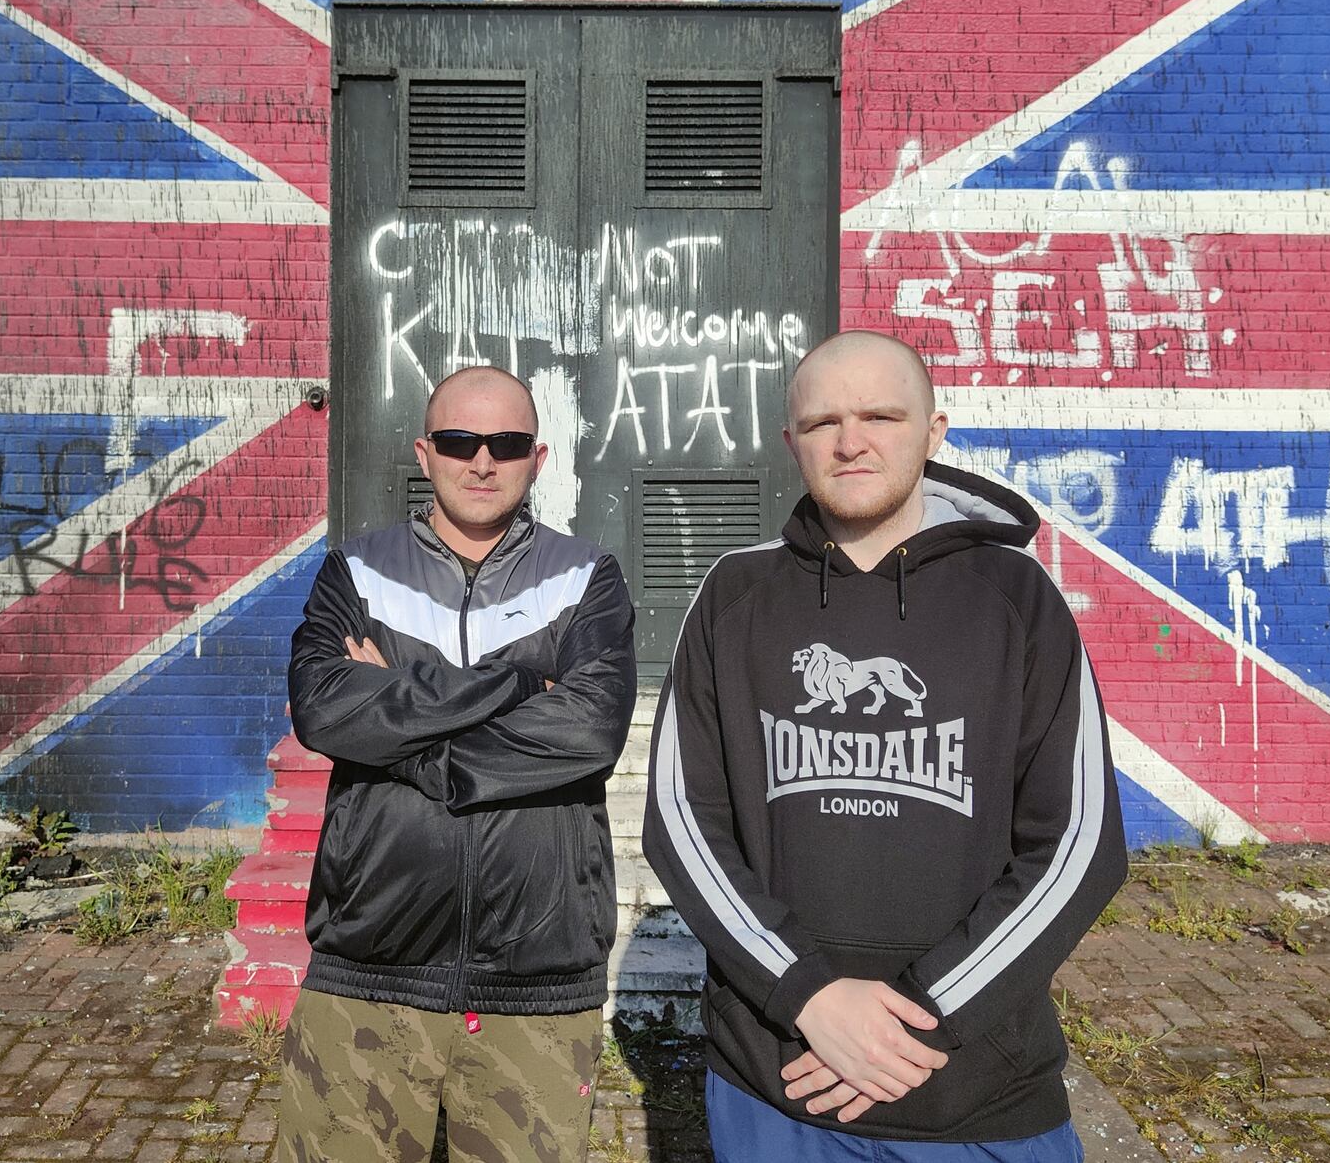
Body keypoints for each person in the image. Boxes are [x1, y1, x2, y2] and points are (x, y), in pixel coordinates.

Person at [643, 330, 1127, 1160]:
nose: (851, 439)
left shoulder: (1019, 600)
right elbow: (683, 824)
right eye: (824, 419)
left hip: (973, 1087)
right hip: (779, 1077)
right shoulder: (733, 595)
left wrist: (921, 1020)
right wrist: (806, 997)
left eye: (880, 415)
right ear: (791, 441)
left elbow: (1080, 846)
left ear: (935, 432)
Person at [275, 365, 637, 1163]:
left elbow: (588, 730)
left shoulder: (586, 578)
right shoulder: (357, 570)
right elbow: (326, 709)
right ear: (424, 452)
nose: (482, 461)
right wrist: (516, 683)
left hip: (537, 982)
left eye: (505, 443)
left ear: (537, 457)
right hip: (370, 967)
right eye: (459, 441)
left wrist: (406, 726)